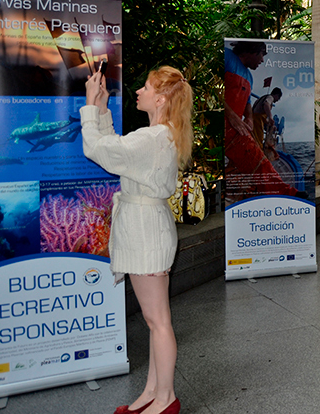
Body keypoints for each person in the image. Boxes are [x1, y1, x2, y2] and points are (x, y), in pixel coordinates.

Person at [81, 66, 191, 414]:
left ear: (160, 98)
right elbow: (118, 153)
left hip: (145, 231)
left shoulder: (152, 137)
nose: (139, 91)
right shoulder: (159, 135)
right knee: (155, 319)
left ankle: (166, 399)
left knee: (158, 321)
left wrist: (89, 106)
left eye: (145, 87)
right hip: (147, 227)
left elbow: (99, 151)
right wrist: (101, 109)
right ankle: (152, 393)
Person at [224, 41, 303, 201]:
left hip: (237, 128)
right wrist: (231, 115)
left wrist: (249, 118)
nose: (261, 61)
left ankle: (274, 191)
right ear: (252, 51)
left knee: (255, 157)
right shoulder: (227, 57)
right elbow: (213, 89)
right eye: (261, 55)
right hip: (226, 125)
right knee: (258, 157)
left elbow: (247, 103)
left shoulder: (250, 77)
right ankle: (285, 193)